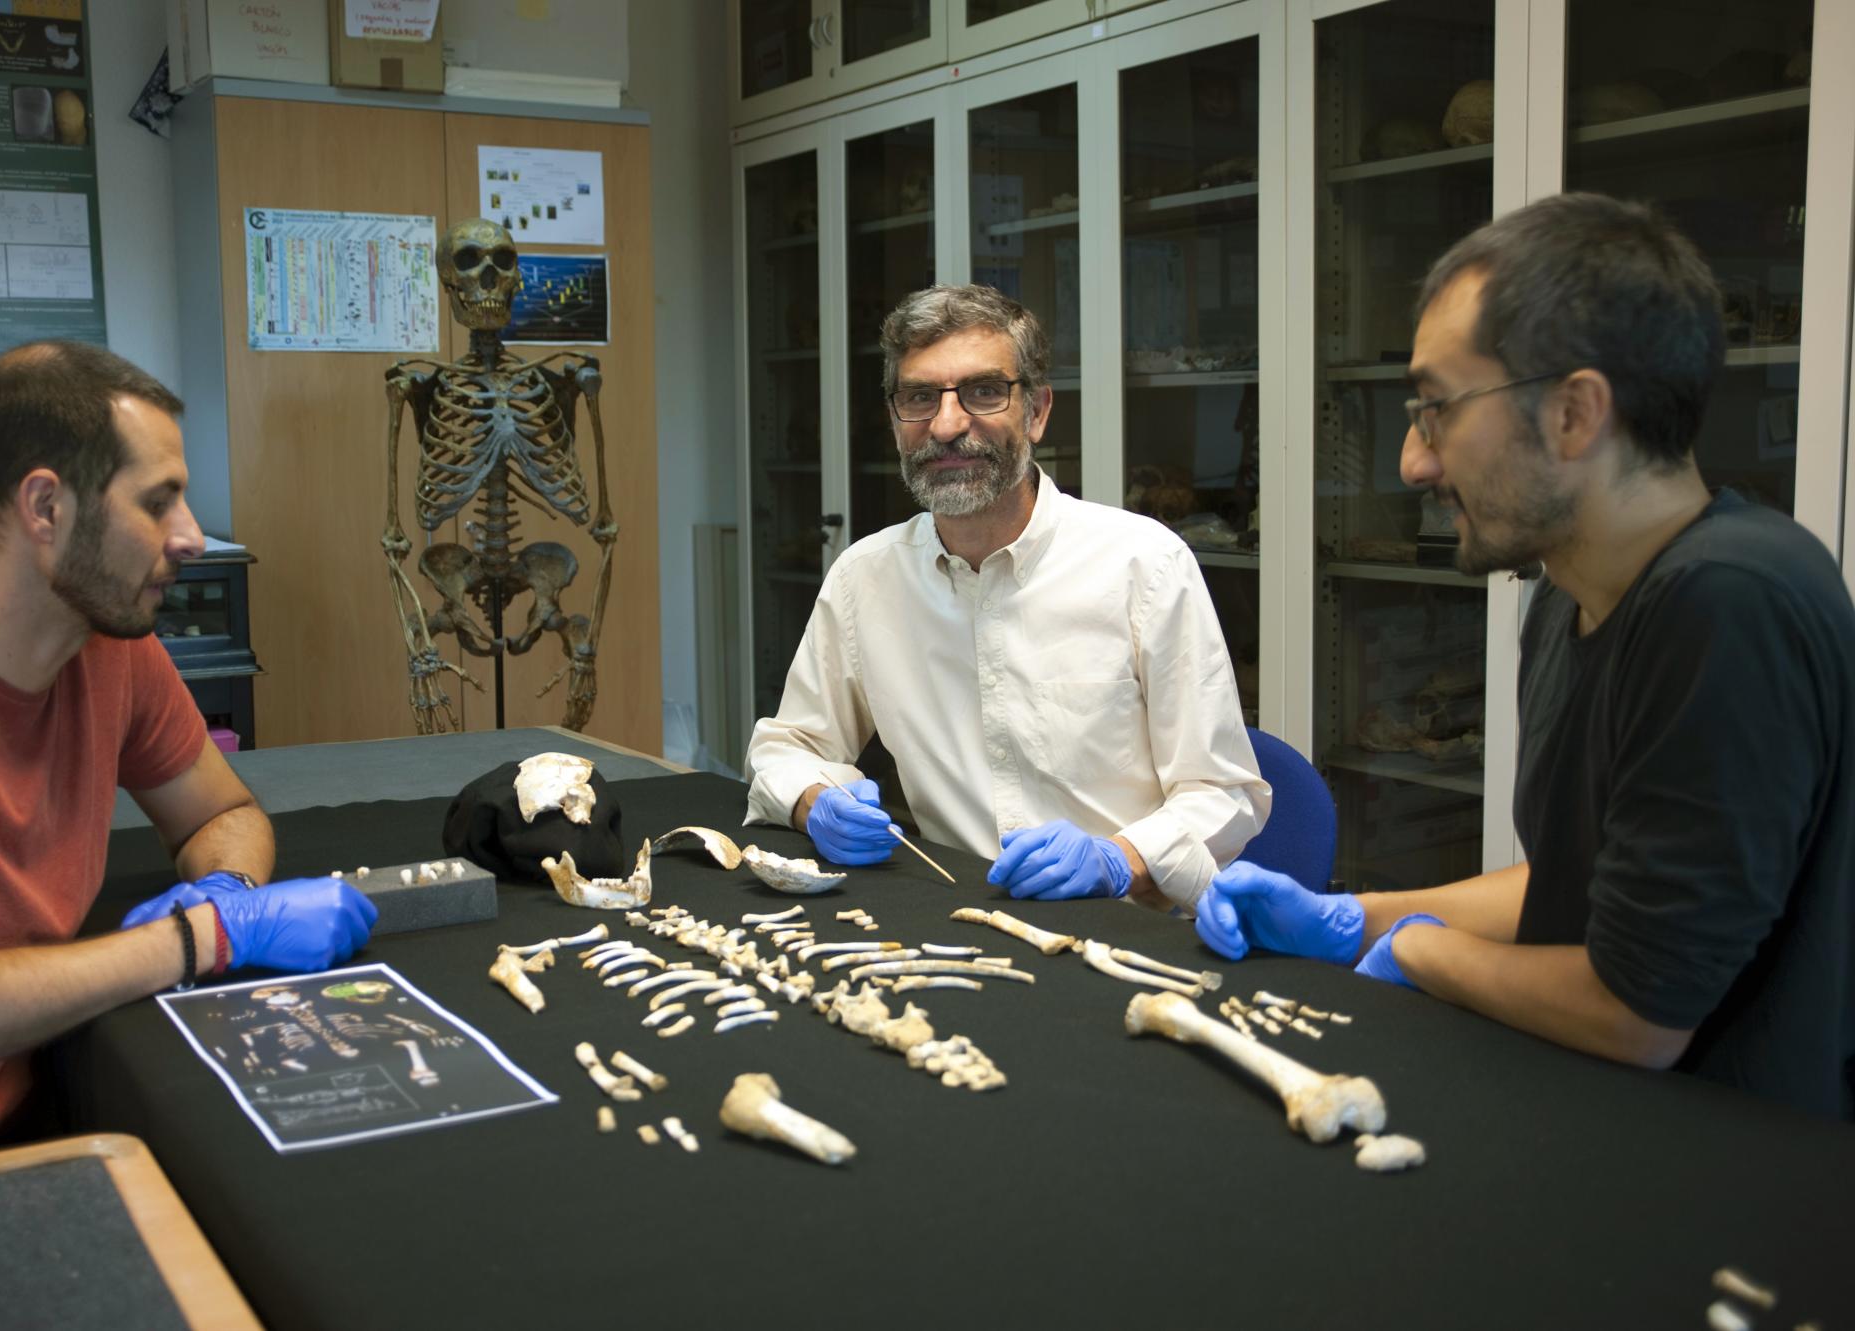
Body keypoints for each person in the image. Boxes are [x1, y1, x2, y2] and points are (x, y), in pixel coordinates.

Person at [1196, 194, 1854, 1118]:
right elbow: (1586, 883)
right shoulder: (1565, 594)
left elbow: (1638, 1014)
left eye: (1436, 411)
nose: (1414, 463)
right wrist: (1356, 915)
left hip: (1736, 1174)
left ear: (1576, 413)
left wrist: (1418, 948)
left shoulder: (1730, 600)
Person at [0, 342, 377, 1168]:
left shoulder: (108, 645)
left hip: (41, 1103)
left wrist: (227, 889)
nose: (192, 537)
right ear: (45, 507)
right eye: (158, 501)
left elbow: (223, 812)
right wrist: (201, 935)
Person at [745, 284, 1268, 912]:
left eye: (984, 391)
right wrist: (812, 801)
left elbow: (1225, 793)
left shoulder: (1144, 566)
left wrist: (1119, 860)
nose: (945, 425)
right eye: (918, 397)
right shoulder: (867, 577)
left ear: (1038, 411)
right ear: (894, 419)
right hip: (958, 921)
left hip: (1128, 931)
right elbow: (788, 747)